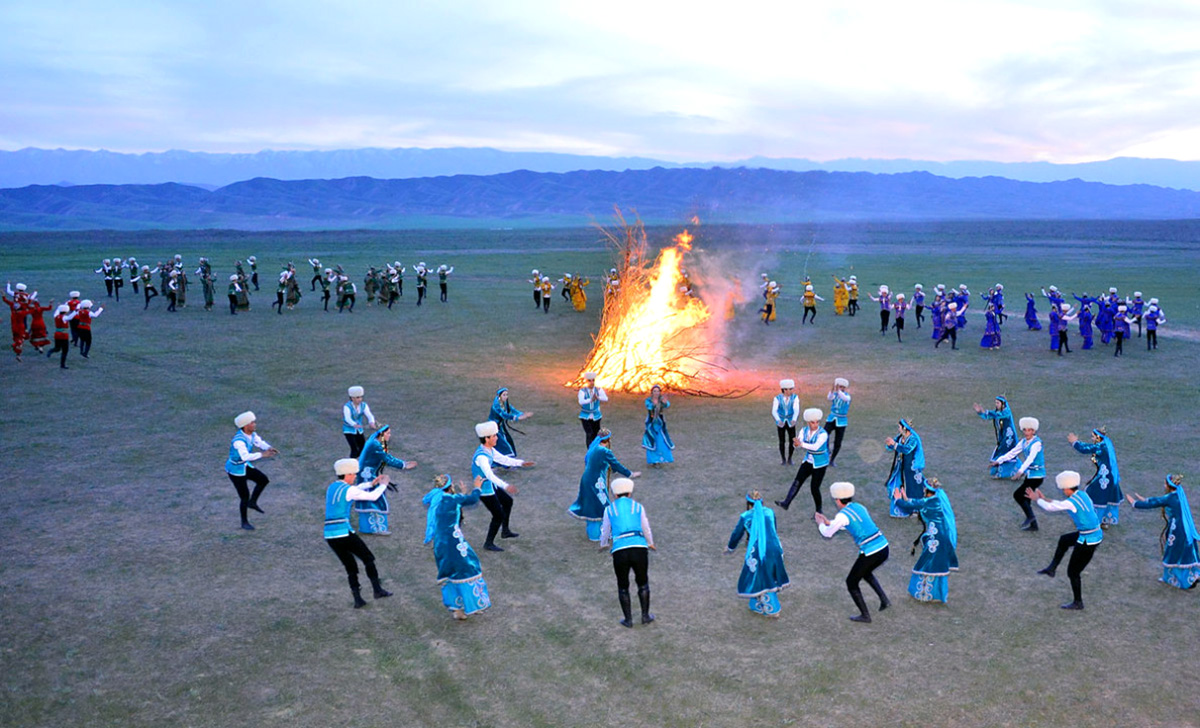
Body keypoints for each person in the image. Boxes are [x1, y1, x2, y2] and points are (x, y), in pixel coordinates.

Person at [816, 481, 891, 623]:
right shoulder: (859, 507)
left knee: (851, 582)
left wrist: (820, 524)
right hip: (884, 548)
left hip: (871, 552)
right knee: (866, 573)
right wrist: (829, 523)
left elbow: (827, 533)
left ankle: (865, 616)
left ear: (838, 500)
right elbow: (850, 524)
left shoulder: (842, 516)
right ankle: (884, 600)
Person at [324, 458, 393, 608]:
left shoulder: (333, 486)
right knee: (368, 558)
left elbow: (355, 489)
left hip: (329, 535)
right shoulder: (349, 490)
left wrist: (371, 484)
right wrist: (383, 485)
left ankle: (358, 599)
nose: (355, 476)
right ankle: (377, 590)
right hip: (344, 532)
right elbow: (373, 496)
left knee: (350, 567)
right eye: (354, 474)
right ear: (348, 474)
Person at [1029, 471, 1102, 610]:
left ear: (1068, 488)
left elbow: (1052, 508)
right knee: (1064, 540)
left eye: (1063, 489)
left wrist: (1037, 499)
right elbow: (1061, 504)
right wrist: (1045, 499)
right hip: (1093, 533)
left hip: (1088, 540)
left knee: (1073, 572)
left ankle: (1078, 602)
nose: (1063, 491)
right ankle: (1052, 569)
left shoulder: (1072, 501)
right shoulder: (1082, 494)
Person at [423, 473, 492, 620]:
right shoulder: (452, 499)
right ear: (450, 486)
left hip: (440, 545)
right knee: (469, 568)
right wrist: (477, 487)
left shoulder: (437, 499)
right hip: (454, 543)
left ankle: (457, 609)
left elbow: (456, 503)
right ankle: (473, 604)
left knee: (450, 574)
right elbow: (472, 499)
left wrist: (463, 493)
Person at [1126, 474, 1200, 589]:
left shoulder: (1171, 498)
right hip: (1182, 529)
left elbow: (1156, 502)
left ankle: (1181, 580)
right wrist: (1145, 499)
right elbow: (1159, 500)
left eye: (1165, 484)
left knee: (1173, 553)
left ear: (1169, 486)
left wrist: (1135, 503)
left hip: (1177, 531)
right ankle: (1190, 576)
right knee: (1183, 552)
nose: (1164, 485)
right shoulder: (1178, 495)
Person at [600, 477, 656, 627]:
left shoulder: (609, 509)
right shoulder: (638, 507)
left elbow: (605, 529)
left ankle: (628, 620)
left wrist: (603, 543)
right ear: (630, 493)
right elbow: (645, 527)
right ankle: (645, 616)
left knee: (623, 586)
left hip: (620, 550)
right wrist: (650, 542)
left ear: (615, 494)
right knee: (643, 583)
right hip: (639, 548)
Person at [892, 477, 958, 603]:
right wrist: (906, 498)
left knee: (927, 564)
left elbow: (908, 506)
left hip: (936, 539)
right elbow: (917, 504)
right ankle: (935, 594)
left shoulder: (928, 502)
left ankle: (924, 594)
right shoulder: (937, 500)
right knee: (935, 564)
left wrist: (898, 499)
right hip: (942, 538)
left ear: (927, 490)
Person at [726, 491, 789, 617]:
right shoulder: (770, 512)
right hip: (775, 548)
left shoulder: (746, 516)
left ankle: (773, 609)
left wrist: (730, 547)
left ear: (748, 504)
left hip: (759, 552)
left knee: (762, 577)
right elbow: (773, 530)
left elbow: (737, 534)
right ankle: (755, 603)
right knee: (766, 574)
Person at [471, 421, 531, 551]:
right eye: (494, 436)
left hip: (490, 486)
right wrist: (506, 486)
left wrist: (521, 463)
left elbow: (503, 459)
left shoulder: (489, 450)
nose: (497, 438)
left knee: (507, 501)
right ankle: (488, 543)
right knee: (498, 515)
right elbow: (489, 475)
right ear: (487, 438)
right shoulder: (482, 457)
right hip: (484, 490)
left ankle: (505, 531)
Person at [570, 428, 639, 541]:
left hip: (587, 480)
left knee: (591, 505)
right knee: (601, 506)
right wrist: (629, 474)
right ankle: (599, 533)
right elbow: (615, 464)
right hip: (596, 482)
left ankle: (595, 532)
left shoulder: (593, 448)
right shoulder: (604, 451)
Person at [355, 425, 416, 535]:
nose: (389, 435)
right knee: (375, 498)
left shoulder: (373, 441)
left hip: (366, 473)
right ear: (381, 434)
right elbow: (387, 458)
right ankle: (378, 527)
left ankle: (367, 527)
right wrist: (404, 465)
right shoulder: (375, 445)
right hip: (367, 474)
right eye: (388, 433)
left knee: (367, 498)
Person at [224, 411, 278, 530]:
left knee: (263, 480)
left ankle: (252, 502)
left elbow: (259, 442)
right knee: (244, 496)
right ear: (245, 425)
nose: (254, 424)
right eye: (252, 422)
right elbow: (245, 457)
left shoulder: (251, 434)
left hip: (243, 466)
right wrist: (262, 454)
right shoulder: (238, 441)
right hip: (235, 470)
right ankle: (244, 522)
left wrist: (269, 447)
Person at [993, 416, 1046, 531]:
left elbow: (1030, 459)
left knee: (1018, 495)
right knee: (1026, 498)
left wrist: (1020, 471)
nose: (1027, 432)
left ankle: (1031, 518)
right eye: (1025, 430)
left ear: (1034, 431)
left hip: (1037, 476)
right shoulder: (1023, 442)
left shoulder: (1036, 444)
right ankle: (1033, 525)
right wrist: (999, 461)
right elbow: (1013, 453)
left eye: (1029, 430)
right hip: (1031, 475)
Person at [776, 408, 829, 514]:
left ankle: (819, 511)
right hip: (808, 461)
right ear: (808, 422)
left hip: (820, 464)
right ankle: (786, 503)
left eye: (817, 422)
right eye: (813, 422)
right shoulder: (803, 431)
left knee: (814, 488)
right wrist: (796, 444)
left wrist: (801, 444)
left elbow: (815, 447)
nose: (816, 424)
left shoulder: (823, 434)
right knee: (797, 482)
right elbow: (797, 444)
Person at [1069, 428, 1121, 526]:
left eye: (1093, 437)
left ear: (1098, 437)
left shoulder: (1101, 446)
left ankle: (1094, 520)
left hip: (1104, 477)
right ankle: (1105, 521)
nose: (1092, 439)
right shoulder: (1107, 444)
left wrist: (1075, 442)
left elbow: (1086, 448)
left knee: (1094, 494)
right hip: (1108, 476)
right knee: (1107, 496)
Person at [884, 419, 926, 518]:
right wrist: (889, 444)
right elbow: (893, 446)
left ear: (904, 428)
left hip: (911, 469)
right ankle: (900, 510)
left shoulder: (913, 439)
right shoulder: (900, 437)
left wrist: (894, 444)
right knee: (898, 485)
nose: (898, 429)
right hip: (901, 467)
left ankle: (915, 509)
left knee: (913, 488)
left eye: (899, 427)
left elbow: (907, 449)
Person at [974, 397, 1018, 478]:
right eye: (995, 403)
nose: (996, 404)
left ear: (1003, 404)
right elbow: (989, 416)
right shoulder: (997, 412)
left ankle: (1006, 472)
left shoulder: (1006, 412)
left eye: (998, 403)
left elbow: (997, 415)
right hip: (1002, 437)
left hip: (1009, 438)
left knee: (1006, 454)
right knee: (1001, 452)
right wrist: (980, 412)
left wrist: (986, 411)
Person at [488, 386, 532, 458]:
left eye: (507, 394)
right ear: (499, 396)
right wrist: (516, 417)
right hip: (494, 427)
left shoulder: (504, 403)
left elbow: (512, 409)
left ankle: (505, 459)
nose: (506, 397)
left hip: (500, 426)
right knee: (503, 444)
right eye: (504, 395)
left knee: (507, 441)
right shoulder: (496, 405)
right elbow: (503, 414)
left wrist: (522, 414)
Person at [642, 385, 674, 465]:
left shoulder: (661, 400)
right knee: (652, 441)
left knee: (661, 441)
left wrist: (664, 403)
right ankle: (653, 460)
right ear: (652, 392)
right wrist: (654, 404)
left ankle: (662, 459)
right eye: (654, 391)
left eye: (658, 391)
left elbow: (667, 404)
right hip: (651, 424)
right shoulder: (648, 400)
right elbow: (648, 406)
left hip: (660, 424)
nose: (656, 393)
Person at [342, 386, 377, 459]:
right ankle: (351, 463)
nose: (360, 399)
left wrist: (371, 422)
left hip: (359, 430)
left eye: (361, 397)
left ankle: (360, 462)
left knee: (362, 447)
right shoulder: (347, 407)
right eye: (358, 397)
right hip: (348, 430)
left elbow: (369, 415)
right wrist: (354, 424)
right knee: (354, 449)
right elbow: (347, 418)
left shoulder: (364, 405)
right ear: (352, 398)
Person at [824, 378, 851, 467]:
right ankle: (827, 450)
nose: (841, 388)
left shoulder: (847, 396)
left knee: (838, 442)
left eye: (843, 387)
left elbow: (844, 398)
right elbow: (829, 397)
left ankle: (832, 460)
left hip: (841, 421)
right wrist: (832, 389)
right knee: (824, 434)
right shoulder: (834, 395)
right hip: (832, 418)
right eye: (840, 387)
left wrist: (837, 390)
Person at [772, 379, 800, 465]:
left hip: (791, 421)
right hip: (781, 421)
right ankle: (783, 459)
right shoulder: (777, 398)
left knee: (792, 440)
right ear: (784, 390)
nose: (789, 391)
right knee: (782, 441)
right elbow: (774, 410)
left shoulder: (795, 397)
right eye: (787, 389)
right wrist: (778, 420)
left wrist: (794, 419)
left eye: (791, 389)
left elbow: (796, 409)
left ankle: (790, 458)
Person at [577, 372, 608, 448]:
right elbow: (581, 401)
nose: (591, 382)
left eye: (593, 380)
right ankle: (590, 450)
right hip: (585, 416)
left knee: (596, 434)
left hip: (596, 415)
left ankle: (595, 449)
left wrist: (598, 398)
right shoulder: (582, 391)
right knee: (589, 433)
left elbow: (605, 398)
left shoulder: (598, 390)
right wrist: (590, 399)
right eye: (589, 380)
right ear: (586, 381)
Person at [47, 304, 76, 368]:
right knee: (65, 350)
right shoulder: (64, 317)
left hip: (57, 334)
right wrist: (75, 312)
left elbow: (57, 311)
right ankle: (62, 364)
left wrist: (59, 307)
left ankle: (51, 351)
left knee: (57, 348)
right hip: (63, 335)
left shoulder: (56, 316)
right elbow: (70, 317)